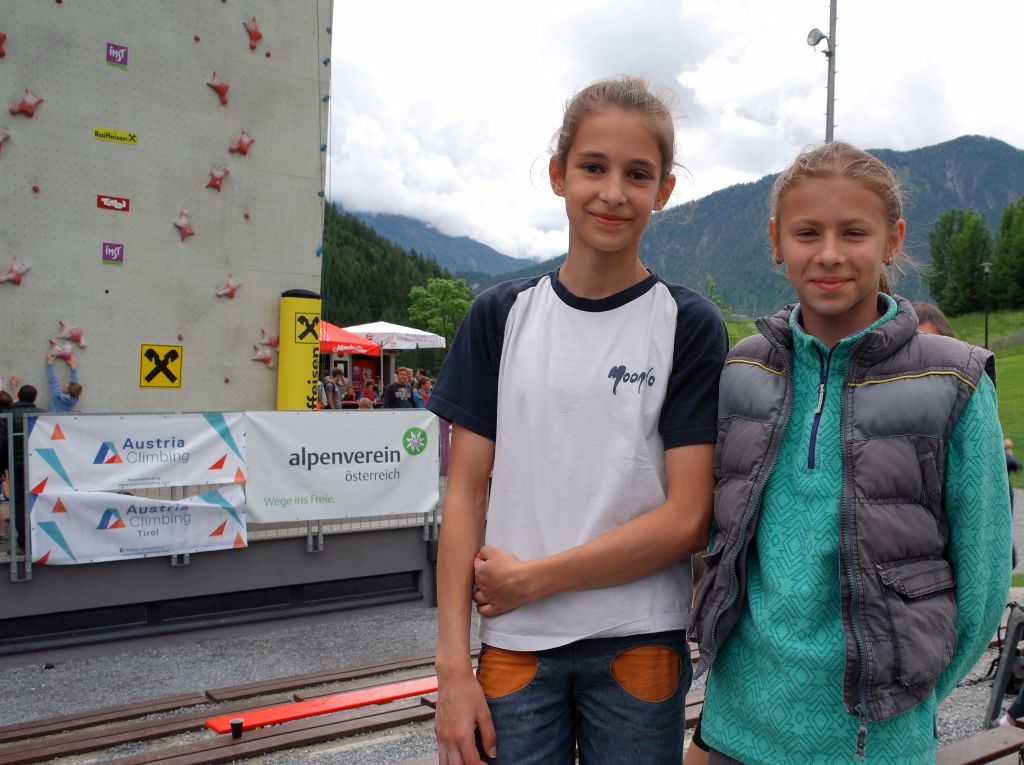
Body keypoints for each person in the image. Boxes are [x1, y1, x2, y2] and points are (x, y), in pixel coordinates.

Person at [427, 75, 727, 765]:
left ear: (665, 190)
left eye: (638, 174)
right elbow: (466, 493)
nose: (613, 192)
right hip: (514, 646)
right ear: (560, 174)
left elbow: (688, 518)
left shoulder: (686, 324)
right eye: (594, 167)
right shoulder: (501, 316)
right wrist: (451, 671)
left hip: (639, 642)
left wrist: (536, 578)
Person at [688, 141, 1011, 765]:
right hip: (734, 731)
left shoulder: (957, 381)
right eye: (808, 232)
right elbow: (715, 544)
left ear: (893, 240)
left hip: (875, 742)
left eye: (853, 232)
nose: (830, 254)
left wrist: (909, 700)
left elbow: (983, 583)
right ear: (777, 240)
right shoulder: (742, 370)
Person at [0, 384, 45, 553]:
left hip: (18, 468)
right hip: (42, 468)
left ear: (18, 395)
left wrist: (2, 468)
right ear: (35, 398)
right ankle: (42, 541)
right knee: (41, 503)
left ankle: (24, 544)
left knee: (20, 506)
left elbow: (2, 444)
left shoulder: (7, 416)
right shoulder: (44, 415)